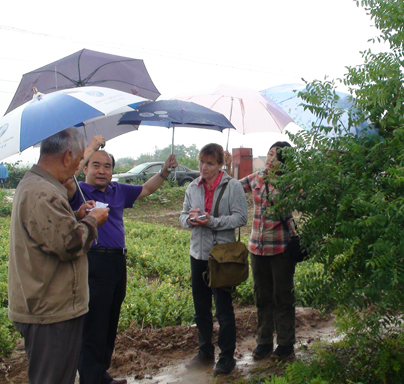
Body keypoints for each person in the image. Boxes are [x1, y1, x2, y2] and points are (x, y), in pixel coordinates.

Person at [66, 138, 178, 384]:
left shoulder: (118, 191)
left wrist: (165, 171)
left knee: (109, 320)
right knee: (93, 323)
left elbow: (147, 188)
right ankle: (89, 377)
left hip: (117, 263)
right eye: (95, 165)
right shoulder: (77, 191)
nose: (102, 170)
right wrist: (92, 148)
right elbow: (67, 173)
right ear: (85, 168)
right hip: (93, 262)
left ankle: (100, 373)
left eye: (107, 166)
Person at [8, 128, 110, 384]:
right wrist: (92, 222)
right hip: (49, 309)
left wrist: (77, 217)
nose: (78, 167)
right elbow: (67, 245)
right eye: (79, 161)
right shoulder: (43, 192)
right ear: (67, 157)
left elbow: (47, 232)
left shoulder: (38, 185)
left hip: (48, 304)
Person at [225, 141, 297, 361]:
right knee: (262, 297)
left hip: (281, 248)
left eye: (276, 155)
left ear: (284, 161)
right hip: (257, 247)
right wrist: (227, 167)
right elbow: (232, 187)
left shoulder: (290, 183)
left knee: (282, 296)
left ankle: (285, 344)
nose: (270, 158)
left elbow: (302, 200)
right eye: (269, 153)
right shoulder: (256, 178)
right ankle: (264, 342)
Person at [179, 143, 248, 375]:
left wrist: (212, 222)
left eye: (210, 163)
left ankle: (227, 356)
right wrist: (189, 220)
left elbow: (240, 218)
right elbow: (182, 216)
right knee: (201, 309)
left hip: (221, 256)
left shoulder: (233, 186)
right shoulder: (192, 186)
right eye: (201, 162)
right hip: (198, 254)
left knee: (223, 308)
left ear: (220, 165)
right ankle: (205, 352)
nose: (203, 167)